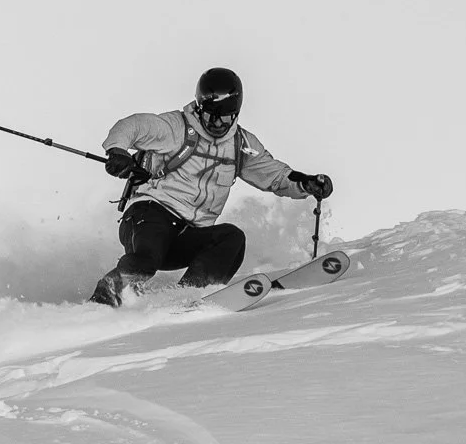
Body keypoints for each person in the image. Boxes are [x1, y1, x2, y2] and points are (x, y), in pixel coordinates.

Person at [88, 68, 333, 307]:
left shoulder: (241, 144)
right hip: (151, 214)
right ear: (199, 107)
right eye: (210, 116)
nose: (217, 124)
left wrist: (305, 184)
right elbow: (132, 126)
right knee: (145, 262)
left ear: (235, 114)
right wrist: (117, 150)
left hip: (188, 232)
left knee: (231, 238)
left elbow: (274, 175)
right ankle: (104, 299)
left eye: (225, 118)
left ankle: (186, 298)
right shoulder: (176, 127)